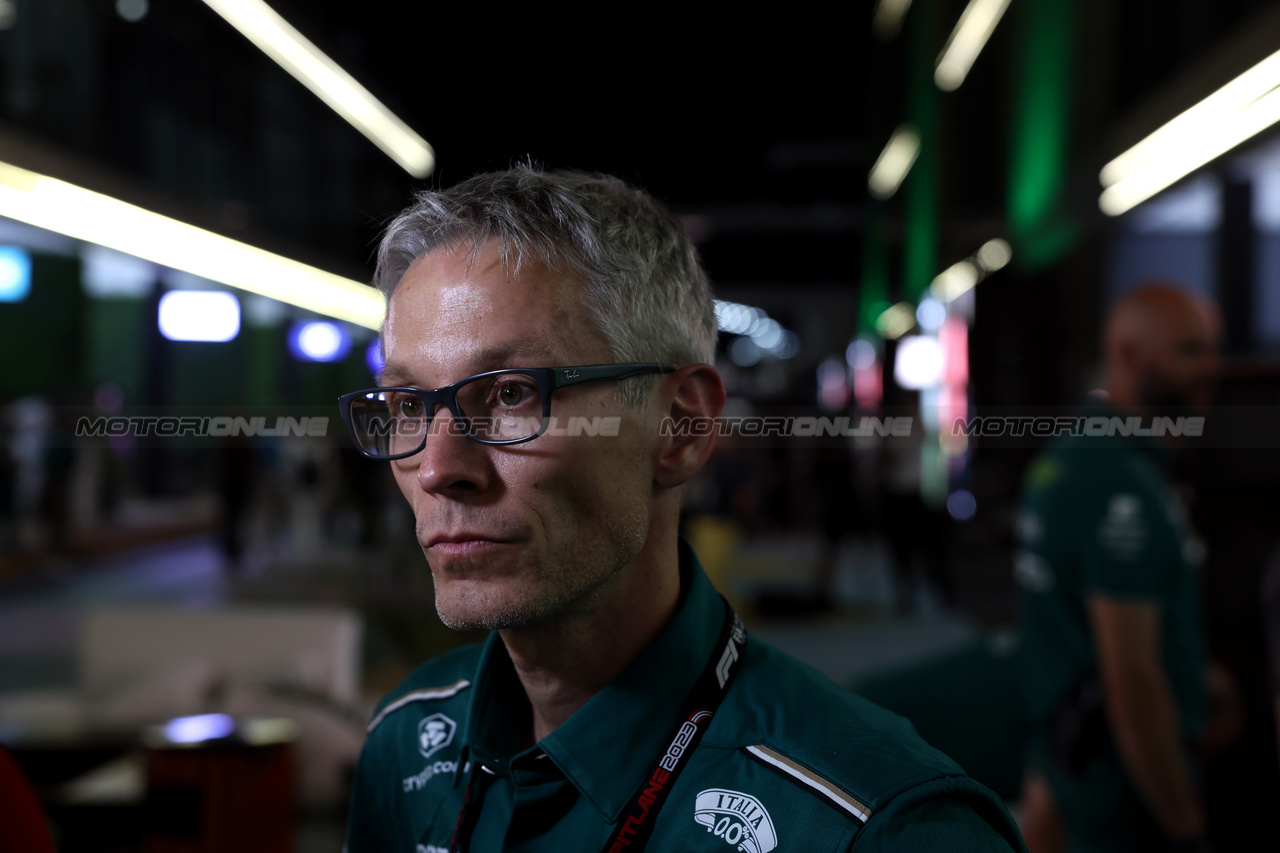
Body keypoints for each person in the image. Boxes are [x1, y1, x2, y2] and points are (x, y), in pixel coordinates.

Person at [340, 167, 1025, 852]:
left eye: (512, 394)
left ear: (680, 426)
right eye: (407, 407)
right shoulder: (406, 741)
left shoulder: (880, 829)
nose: (436, 468)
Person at [1014, 283, 1219, 852]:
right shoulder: (1114, 480)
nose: (1210, 368)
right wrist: (1185, 825)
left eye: (1210, 349)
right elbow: (1130, 677)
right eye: (1189, 351)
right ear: (1129, 356)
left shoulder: (1083, 456)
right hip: (1116, 795)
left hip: (1074, 765)